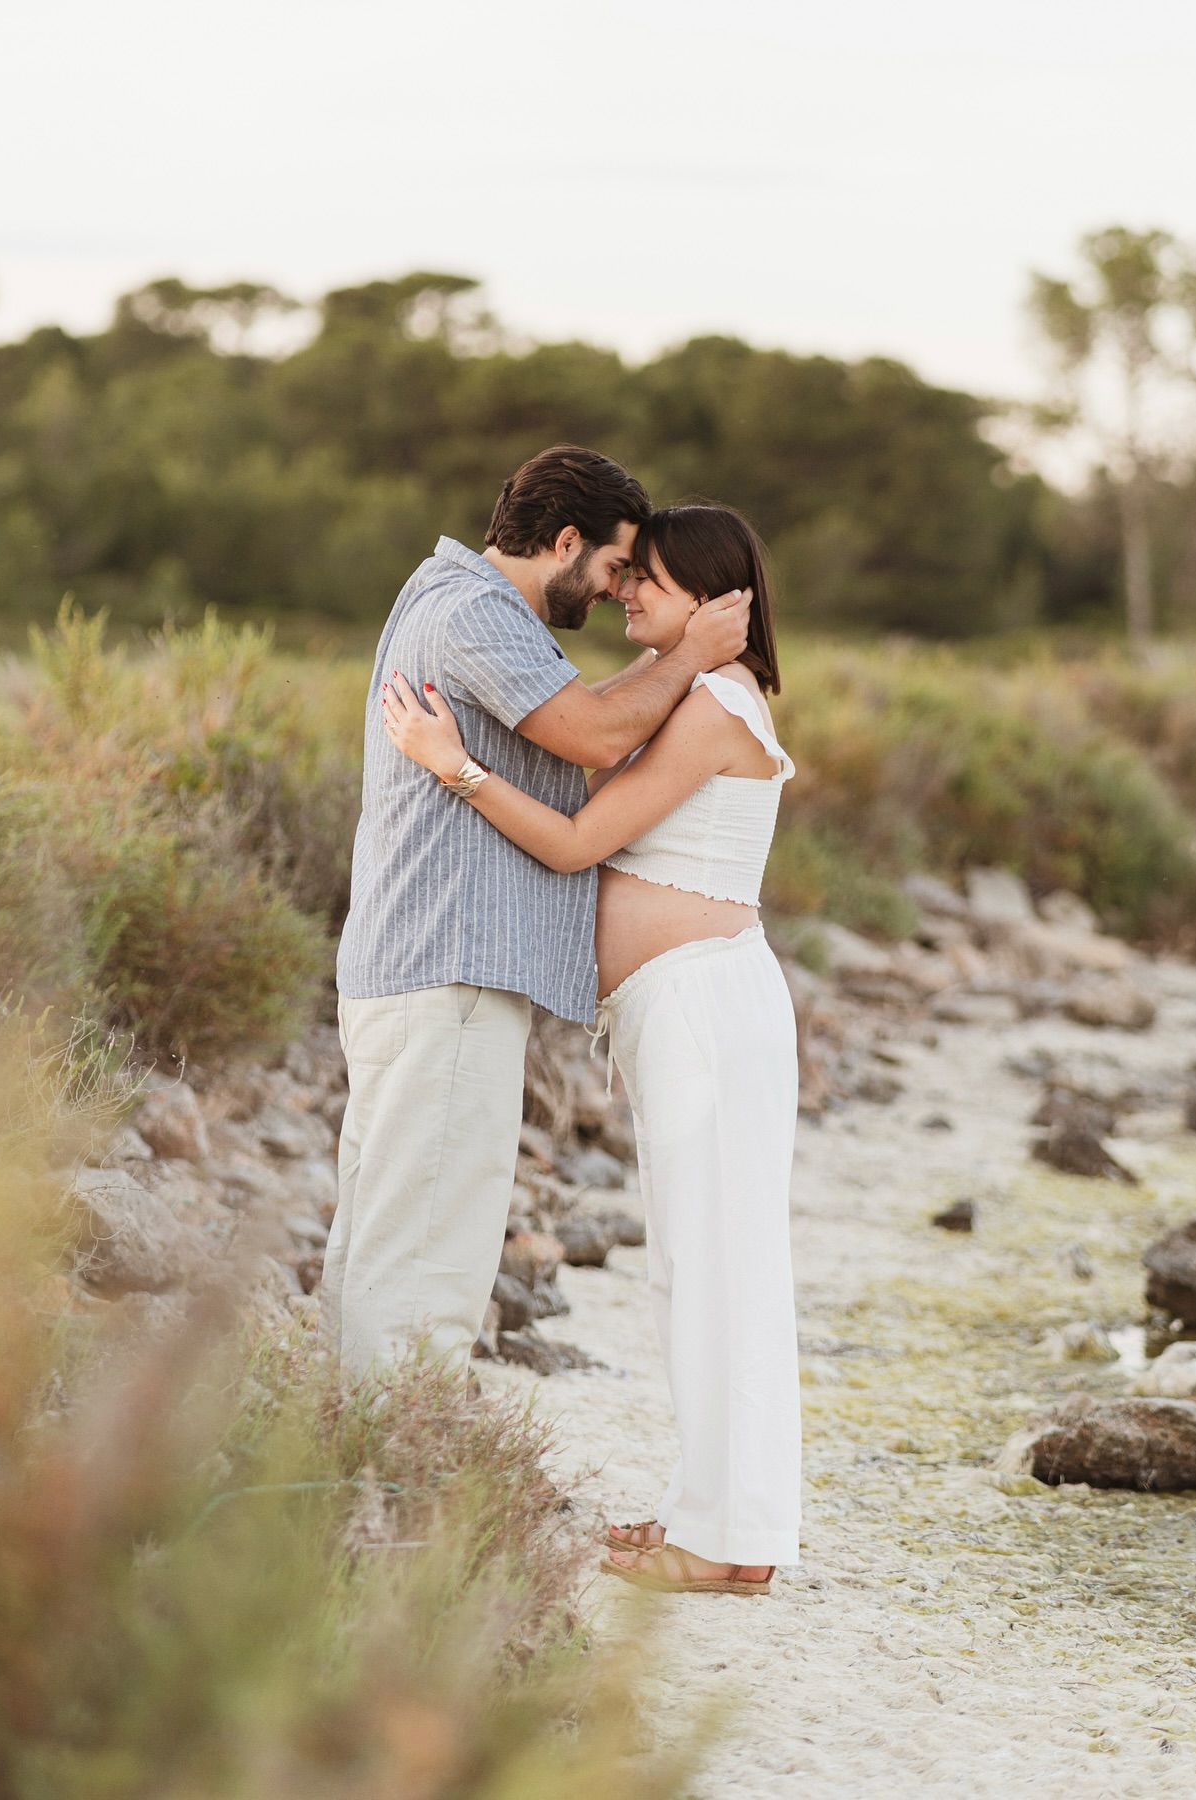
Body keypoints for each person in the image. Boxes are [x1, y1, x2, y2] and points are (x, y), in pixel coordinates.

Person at [382, 501, 800, 1599]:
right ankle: (707, 1512)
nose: (623, 593)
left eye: (647, 580)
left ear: (710, 600)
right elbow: (594, 751)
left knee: (720, 1267)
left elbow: (574, 845)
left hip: (706, 1010)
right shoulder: (688, 692)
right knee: (686, 1268)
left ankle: (734, 1540)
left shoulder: (716, 700)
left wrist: (453, 767)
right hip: (681, 1010)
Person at [322, 447, 752, 1378]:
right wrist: (691, 654)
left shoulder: (451, 596)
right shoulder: (475, 612)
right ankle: (401, 1453)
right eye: (614, 566)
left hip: (420, 970)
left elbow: (578, 713)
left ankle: (350, 1444)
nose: (616, 590)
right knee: (427, 1257)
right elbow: (595, 734)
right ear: (564, 542)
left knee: (379, 1240)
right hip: (451, 972)